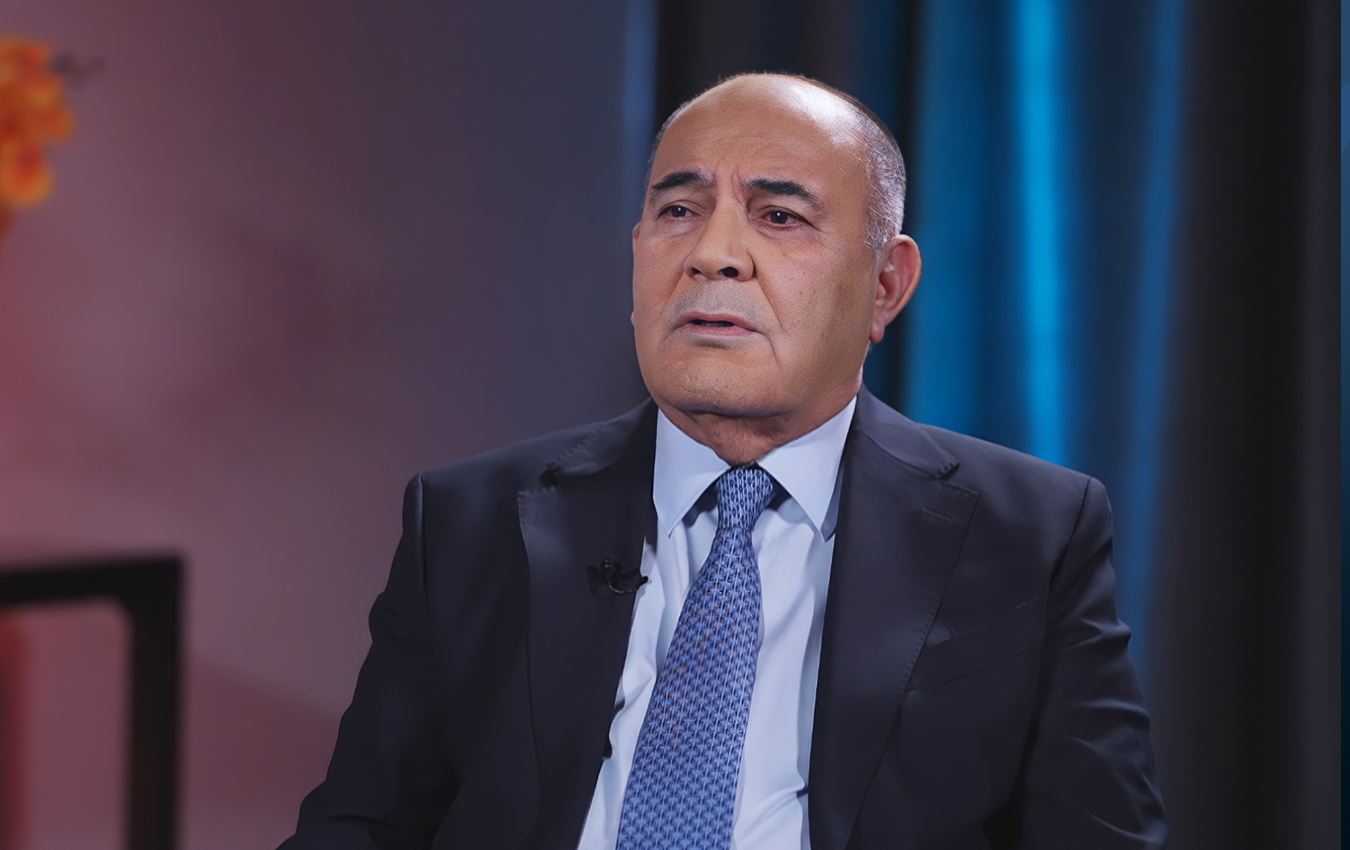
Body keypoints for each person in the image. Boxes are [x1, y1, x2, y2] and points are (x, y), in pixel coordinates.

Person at [279, 72, 1167, 850]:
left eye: (779, 216)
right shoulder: (471, 520)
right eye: (679, 211)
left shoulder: (1027, 536)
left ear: (886, 285)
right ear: (637, 254)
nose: (712, 254)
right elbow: (361, 827)